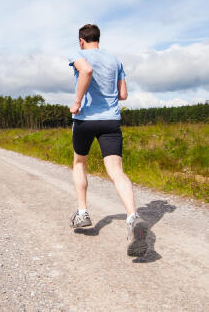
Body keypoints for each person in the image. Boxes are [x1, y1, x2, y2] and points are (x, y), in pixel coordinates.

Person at [67, 23, 149, 257]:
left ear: (81, 40)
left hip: (85, 120)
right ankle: (133, 216)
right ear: (98, 39)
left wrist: (77, 101)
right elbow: (123, 94)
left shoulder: (78, 55)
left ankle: (82, 212)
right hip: (111, 121)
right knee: (116, 170)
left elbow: (86, 71)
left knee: (80, 163)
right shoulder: (115, 60)